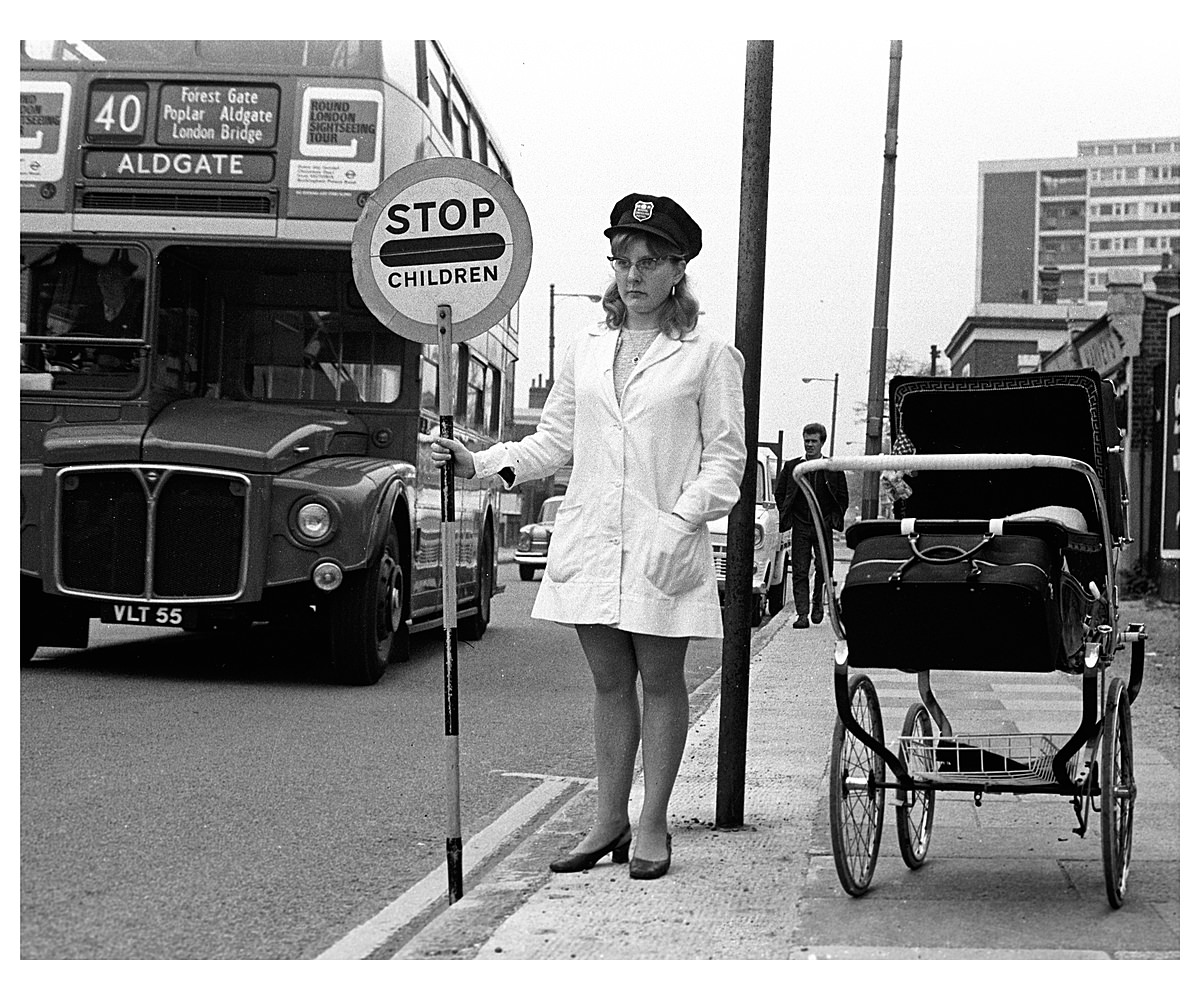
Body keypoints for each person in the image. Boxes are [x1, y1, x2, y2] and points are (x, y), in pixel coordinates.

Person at [429, 193, 746, 880]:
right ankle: (609, 821)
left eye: (650, 262)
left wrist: (679, 519)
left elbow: (726, 463)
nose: (633, 276)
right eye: (623, 261)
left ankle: (653, 823)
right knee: (608, 684)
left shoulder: (708, 354)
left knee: (660, 683)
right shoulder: (588, 346)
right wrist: (482, 464)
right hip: (595, 540)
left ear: (678, 268)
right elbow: (552, 441)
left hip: (666, 541)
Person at [774, 422, 848, 629]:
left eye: (814, 441)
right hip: (801, 525)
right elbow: (780, 493)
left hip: (822, 524)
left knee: (825, 568)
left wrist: (833, 517)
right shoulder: (792, 466)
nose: (809, 445)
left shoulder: (832, 467)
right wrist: (788, 513)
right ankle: (802, 614)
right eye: (806, 441)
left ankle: (818, 603)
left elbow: (842, 497)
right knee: (799, 569)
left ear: (821, 442)